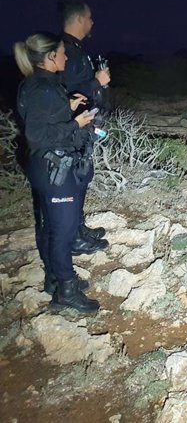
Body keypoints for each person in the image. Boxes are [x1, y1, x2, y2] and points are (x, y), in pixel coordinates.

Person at [14, 32, 100, 312]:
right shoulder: (42, 88)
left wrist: (68, 106)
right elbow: (37, 134)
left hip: (45, 168)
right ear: (50, 57)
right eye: (62, 53)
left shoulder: (40, 85)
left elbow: (45, 116)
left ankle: (54, 280)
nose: (65, 57)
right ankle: (66, 289)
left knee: (50, 227)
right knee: (62, 232)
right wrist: (76, 123)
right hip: (54, 169)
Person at [59, 0, 110, 253]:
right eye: (89, 17)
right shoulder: (65, 50)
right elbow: (66, 93)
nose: (92, 22)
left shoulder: (76, 49)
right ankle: (73, 237)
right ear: (79, 19)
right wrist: (96, 82)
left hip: (84, 126)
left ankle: (79, 228)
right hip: (74, 128)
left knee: (83, 177)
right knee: (76, 179)